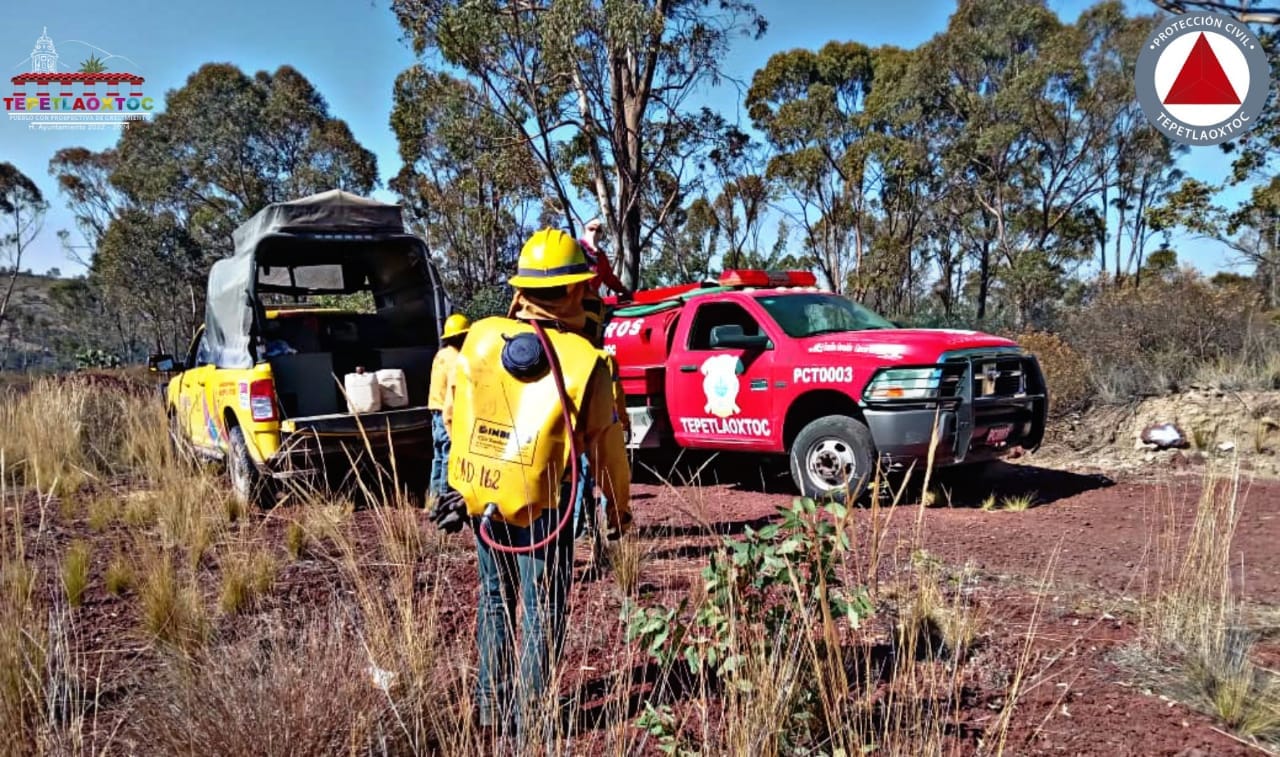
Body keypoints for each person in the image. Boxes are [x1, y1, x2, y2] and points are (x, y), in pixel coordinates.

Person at [432, 228, 631, 745]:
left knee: (495, 599)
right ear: (574, 291)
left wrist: (462, 484)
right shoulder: (589, 362)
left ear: (522, 289)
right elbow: (607, 449)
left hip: (484, 498)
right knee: (542, 610)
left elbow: (454, 417)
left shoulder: (478, 339)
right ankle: (530, 723)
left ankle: (491, 708)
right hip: (548, 505)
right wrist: (620, 511)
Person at [427, 313, 470, 500]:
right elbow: (456, 390)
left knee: (438, 455)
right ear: (461, 336)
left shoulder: (441, 355)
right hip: (446, 412)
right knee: (448, 455)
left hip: (434, 410)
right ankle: (444, 498)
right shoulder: (456, 359)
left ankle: (434, 496)